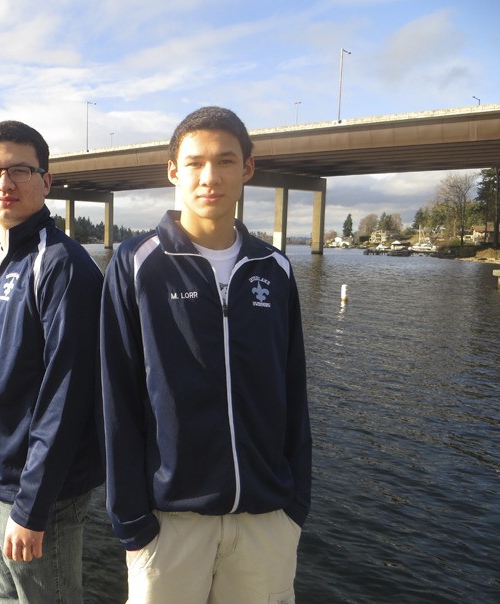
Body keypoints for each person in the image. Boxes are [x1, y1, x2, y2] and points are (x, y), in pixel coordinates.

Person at [100, 106, 312, 603]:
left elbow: (294, 391)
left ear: (248, 169)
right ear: (173, 171)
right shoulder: (138, 264)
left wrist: (295, 504)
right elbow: (115, 399)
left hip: (267, 521)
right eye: (194, 163)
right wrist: (132, 521)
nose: (210, 176)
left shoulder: (274, 267)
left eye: (225, 161)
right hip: (169, 524)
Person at [0, 120, 104, 603]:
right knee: (6, 599)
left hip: (37, 494)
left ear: (46, 181)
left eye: (20, 170)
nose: (4, 183)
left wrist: (32, 507)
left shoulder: (62, 265)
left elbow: (68, 395)